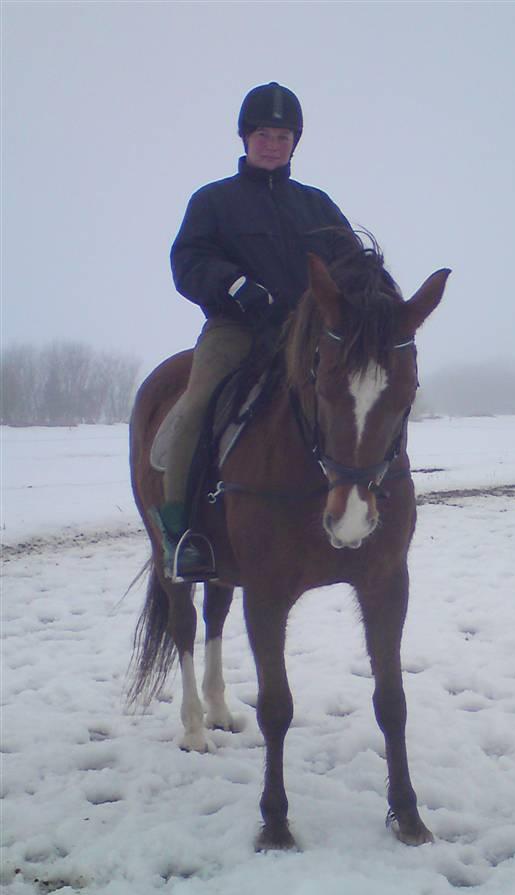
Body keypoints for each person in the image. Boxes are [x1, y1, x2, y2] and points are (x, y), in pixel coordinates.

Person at [153, 81, 354, 581]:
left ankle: (361, 503)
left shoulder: (317, 205)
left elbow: (351, 264)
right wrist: (234, 284)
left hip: (306, 333)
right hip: (236, 331)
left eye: (283, 136)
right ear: (244, 138)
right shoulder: (213, 201)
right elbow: (188, 261)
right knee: (196, 408)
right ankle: (181, 533)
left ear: (294, 143)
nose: (272, 143)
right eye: (263, 133)